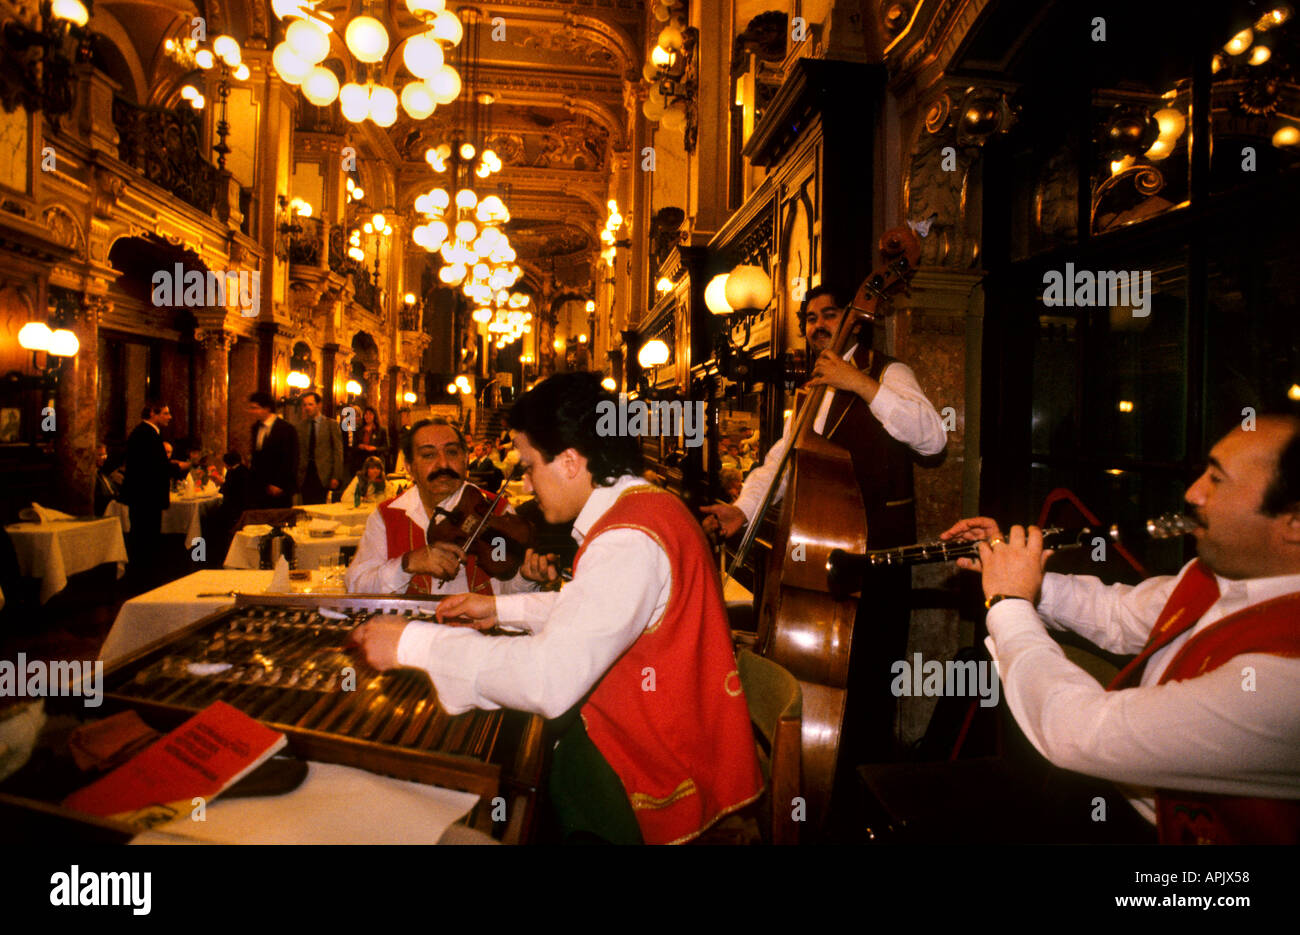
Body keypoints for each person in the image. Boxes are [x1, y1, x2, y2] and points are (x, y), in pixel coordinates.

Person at [350, 374, 763, 844]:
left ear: (569, 461)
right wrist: (501, 610)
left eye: (528, 466)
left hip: (656, 773)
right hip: (657, 738)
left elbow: (547, 679)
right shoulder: (648, 507)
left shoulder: (627, 540)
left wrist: (413, 642)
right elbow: (598, 610)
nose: (525, 482)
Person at [941, 415, 1300, 844]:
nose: (1193, 493)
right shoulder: (1233, 574)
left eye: (1218, 480)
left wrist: (1009, 604)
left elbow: (1078, 733)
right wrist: (1015, 568)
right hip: (1109, 797)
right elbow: (1119, 614)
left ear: (1294, 523)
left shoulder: (1283, 680)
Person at [700, 284, 948, 765]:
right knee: (829, 680)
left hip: (878, 559)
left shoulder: (888, 371)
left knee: (872, 681)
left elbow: (932, 438)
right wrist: (744, 508)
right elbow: (781, 460)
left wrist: (859, 383)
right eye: (810, 318)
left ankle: (865, 785)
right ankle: (816, 777)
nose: (818, 326)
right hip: (826, 560)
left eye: (829, 314)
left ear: (856, 318)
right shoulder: (813, 390)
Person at [344, 417, 535, 597]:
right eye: (428, 455)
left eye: (452, 452)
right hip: (407, 630)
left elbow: (508, 588)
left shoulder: (495, 511)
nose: (443, 463)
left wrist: (526, 578)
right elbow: (356, 587)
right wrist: (406, 564)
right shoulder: (387, 516)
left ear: (465, 459)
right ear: (409, 467)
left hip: (476, 630)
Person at [121, 402, 188, 583]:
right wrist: (178, 467)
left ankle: (144, 575)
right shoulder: (146, 434)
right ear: (153, 413)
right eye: (165, 413)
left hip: (145, 496)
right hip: (145, 496)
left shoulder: (147, 433)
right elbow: (154, 466)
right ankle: (143, 578)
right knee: (144, 536)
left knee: (145, 535)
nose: (170, 417)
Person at [247, 391, 299, 509]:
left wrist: (279, 483)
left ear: (266, 408)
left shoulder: (286, 428)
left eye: (255, 408)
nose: (252, 412)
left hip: (279, 487)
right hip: (259, 485)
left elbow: (291, 459)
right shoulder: (255, 428)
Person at [296, 392, 345, 505]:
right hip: (305, 475)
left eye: (310, 404)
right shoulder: (300, 426)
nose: (307, 407)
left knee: (321, 506)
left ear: (318, 405)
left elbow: (338, 451)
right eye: (304, 405)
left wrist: (336, 476)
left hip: (323, 474)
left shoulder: (330, 424)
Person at [349, 406, 388, 476]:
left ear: (374, 416)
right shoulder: (358, 430)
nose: (367, 416)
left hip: (375, 463)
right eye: (366, 414)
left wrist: (375, 448)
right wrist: (359, 446)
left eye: (370, 414)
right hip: (360, 463)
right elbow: (353, 446)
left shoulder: (381, 430)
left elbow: (386, 447)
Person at [94, 444, 124, 516]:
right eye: (100, 455)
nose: (104, 458)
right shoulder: (94, 477)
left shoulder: (104, 475)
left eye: (105, 454)